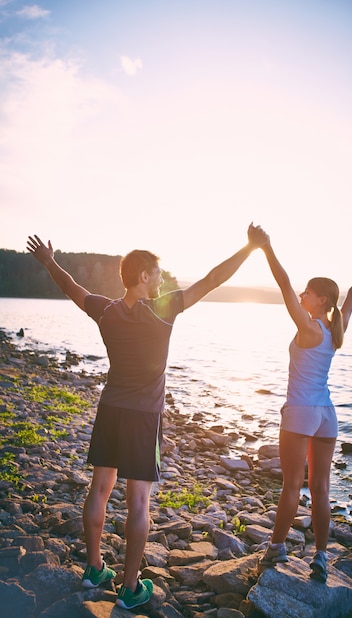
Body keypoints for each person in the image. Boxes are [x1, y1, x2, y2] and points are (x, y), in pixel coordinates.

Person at [26, 224, 266, 609]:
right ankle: (131, 588)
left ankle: (93, 569)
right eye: (157, 272)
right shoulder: (163, 310)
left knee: (99, 490)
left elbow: (71, 287)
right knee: (138, 502)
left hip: (111, 409)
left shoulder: (106, 310)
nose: (162, 278)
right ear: (143, 276)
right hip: (143, 417)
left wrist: (50, 261)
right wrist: (250, 248)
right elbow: (214, 279)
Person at [256, 230, 352, 582]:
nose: (301, 295)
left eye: (307, 292)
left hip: (300, 412)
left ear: (320, 299)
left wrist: (267, 248)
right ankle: (322, 556)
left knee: (292, 485)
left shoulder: (308, 326)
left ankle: (277, 547)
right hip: (327, 415)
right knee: (322, 488)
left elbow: (282, 285)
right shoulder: (333, 327)